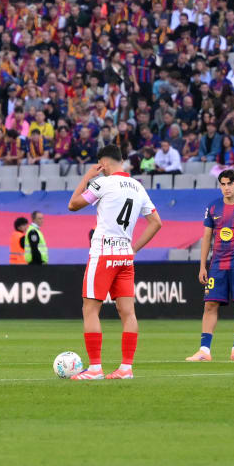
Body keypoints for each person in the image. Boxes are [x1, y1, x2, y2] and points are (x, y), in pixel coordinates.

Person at [66, 146, 162, 380]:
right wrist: (134, 249)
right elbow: (156, 223)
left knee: (90, 309)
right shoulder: (138, 187)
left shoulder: (103, 183)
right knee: (128, 313)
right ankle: (126, 368)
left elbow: (73, 204)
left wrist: (87, 177)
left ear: (105, 163)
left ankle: (95, 369)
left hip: (103, 253)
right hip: (125, 256)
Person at [188, 168, 234, 362]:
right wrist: (202, 266)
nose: (226, 188)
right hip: (217, 264)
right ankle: (204, 351)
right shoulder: (212, 207)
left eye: (230, 184)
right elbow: (206, 238)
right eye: (223, 184)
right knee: (210, 305)